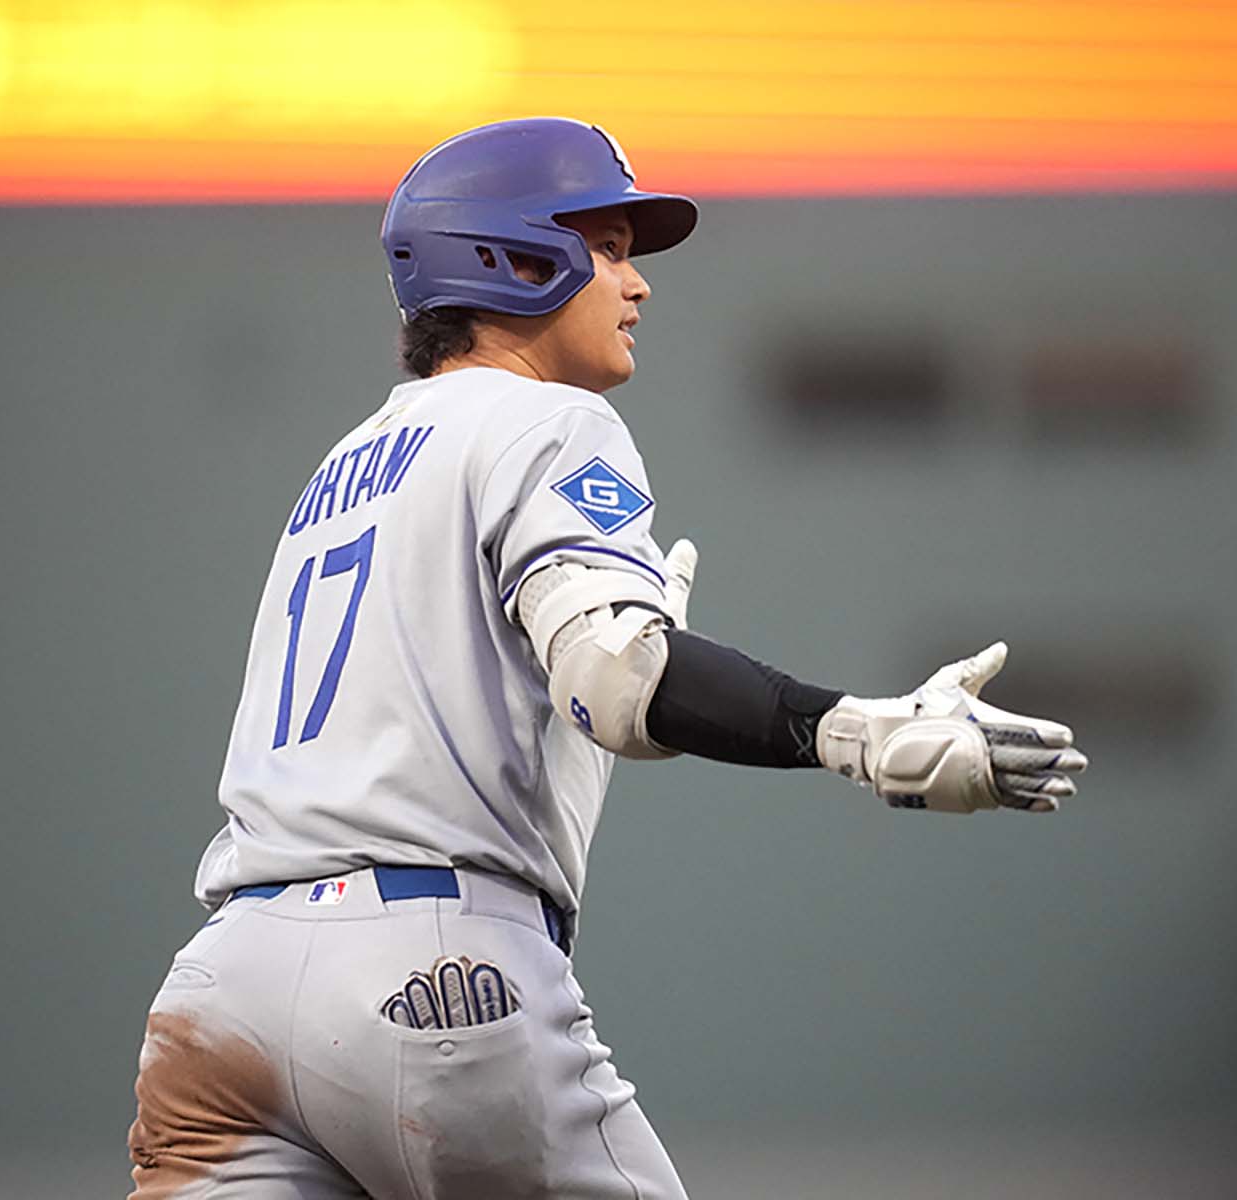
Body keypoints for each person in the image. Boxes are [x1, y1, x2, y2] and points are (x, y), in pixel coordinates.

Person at [125, 116, 1087, 1199]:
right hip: (432, 970)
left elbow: (531, 713)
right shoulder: (548, 424)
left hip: (224, 994)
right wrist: (859, 732)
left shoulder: (340, 468)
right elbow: (618, 683)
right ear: (515, 258)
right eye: (610, 245)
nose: (637, 284)